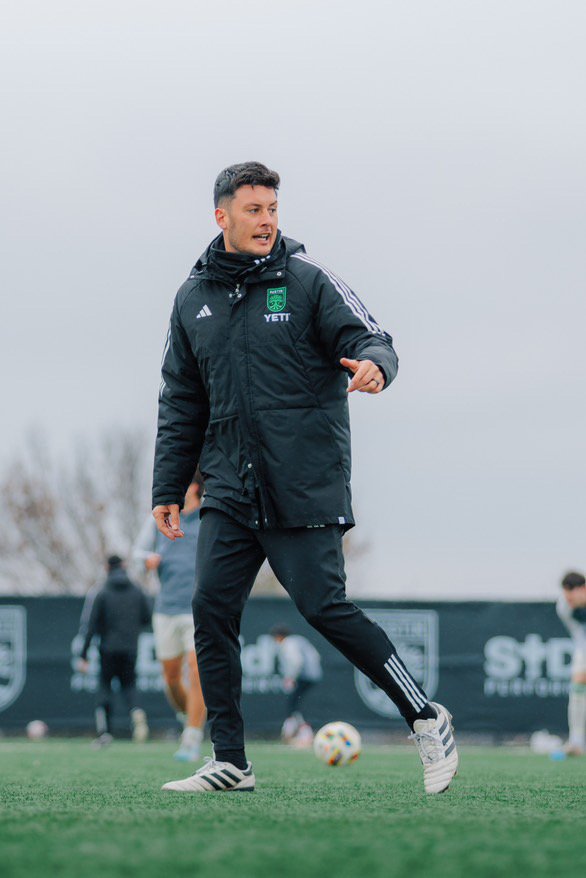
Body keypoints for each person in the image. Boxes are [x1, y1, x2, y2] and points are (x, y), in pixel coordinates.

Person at [152, 161, 458, 795]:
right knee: (210, 610)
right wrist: (166, 487)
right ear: (223, 217)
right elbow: (181, 400)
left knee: (324, 609)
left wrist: (376, 366)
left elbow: (374, 336)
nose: (267, 221)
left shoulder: (308, 279)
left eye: (272, 210)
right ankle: (231, 760)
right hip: (230, 489)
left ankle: (426, 718)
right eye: (254, 210)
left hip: (303, 483)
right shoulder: (192, 299)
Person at [132, 475, 207, 761]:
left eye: (184, 483)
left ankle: (192, 737)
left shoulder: (208, 517)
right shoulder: (160, 519)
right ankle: (190, 715)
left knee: (197, 669)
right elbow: (137, 556)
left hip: (197, 608)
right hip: (165, 610)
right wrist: (146, 561)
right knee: (172, 679)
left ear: (196, 488)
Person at [79, 555, 151, 748]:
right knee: (129, 684)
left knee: (105, 686)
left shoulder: (101, 591)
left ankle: (105, 732)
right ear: (124, 566)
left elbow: (90, 625)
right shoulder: (137, 591)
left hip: (108, 649)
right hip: (130, 648)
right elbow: (146, 618)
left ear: (106, 568)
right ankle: (136, 711)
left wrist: (83, 655)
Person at [270, 624, 322, 744]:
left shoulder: (288, 643)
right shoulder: (299, 640)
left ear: (279, 636)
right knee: (295, 703)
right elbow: (316, 656)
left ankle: (300, 732)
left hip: (303, 676)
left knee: (293, 704)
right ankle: (297, 730)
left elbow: (297, 661)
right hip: (313, 675)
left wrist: (291, 678)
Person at [556, 571, 586, 755]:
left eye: (572, 596)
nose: (569, 600)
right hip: (583, 645)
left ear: (583, 589)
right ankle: (576, 742)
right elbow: (580, 636)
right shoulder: (564, 608)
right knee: (578, 684)